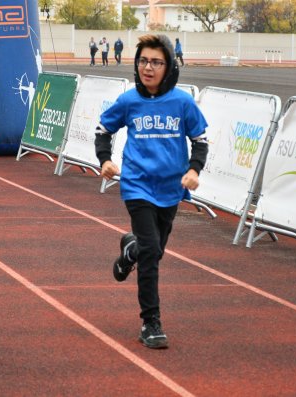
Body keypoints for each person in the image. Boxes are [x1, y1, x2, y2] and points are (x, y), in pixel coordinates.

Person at [94, 34, 208, 349]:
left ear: (168, 66)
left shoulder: (183, 103)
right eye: (143, 60)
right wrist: (105, 160)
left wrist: (194, 170)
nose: (148, 67)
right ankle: (151, 322)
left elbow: (200, 140)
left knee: (152, 250)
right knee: (151, 256)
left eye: (156, 62)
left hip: (171, 189)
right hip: (137, 185)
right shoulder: (129, 100)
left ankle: (130, 250)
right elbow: (104, 130)